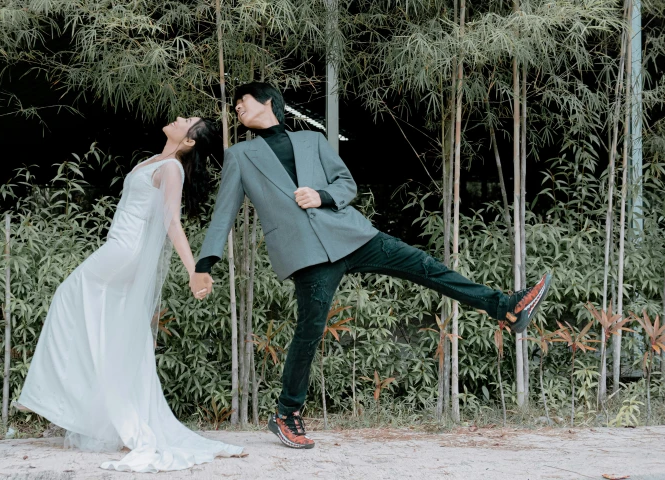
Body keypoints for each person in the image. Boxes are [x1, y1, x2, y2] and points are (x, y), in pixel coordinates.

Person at [189, 82, 553, 449]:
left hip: (352, 235)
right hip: (305, 253)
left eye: (242, 101)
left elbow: (347, 184)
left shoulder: (312, 142)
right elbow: (224, 215)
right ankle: (286, 414)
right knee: (310, 330)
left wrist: (321, 196)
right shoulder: (240, 155)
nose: (237, 108)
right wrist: (204, 265)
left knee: (425, 266)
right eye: (235, 105)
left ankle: (506, 307)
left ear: (268, 101)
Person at [16, 116, 244, 472]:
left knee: (67, 295)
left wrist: (194, 269)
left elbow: (171, 221)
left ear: (189, 143)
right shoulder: (152, 160)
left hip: (125, 251)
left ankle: (50, 391)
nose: (180, 118)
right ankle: (92, 406)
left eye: (188, 121)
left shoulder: (171, 168)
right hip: (118, 246)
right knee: (114, 329)